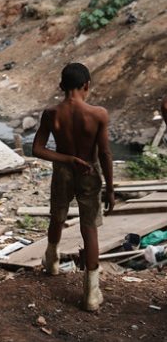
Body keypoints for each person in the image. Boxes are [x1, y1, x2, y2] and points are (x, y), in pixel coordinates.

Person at [32, 63, 114, 312]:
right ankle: (91, 293)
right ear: (86, 85)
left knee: (57, 216)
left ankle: (52, 261)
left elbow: (37, 149)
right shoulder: (98, 113)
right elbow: (106, 154)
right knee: (89, 228)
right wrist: (110, 188)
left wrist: (67, 159)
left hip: (63, 171)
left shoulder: (51, 114)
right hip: (88, 171)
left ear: (61, 86)